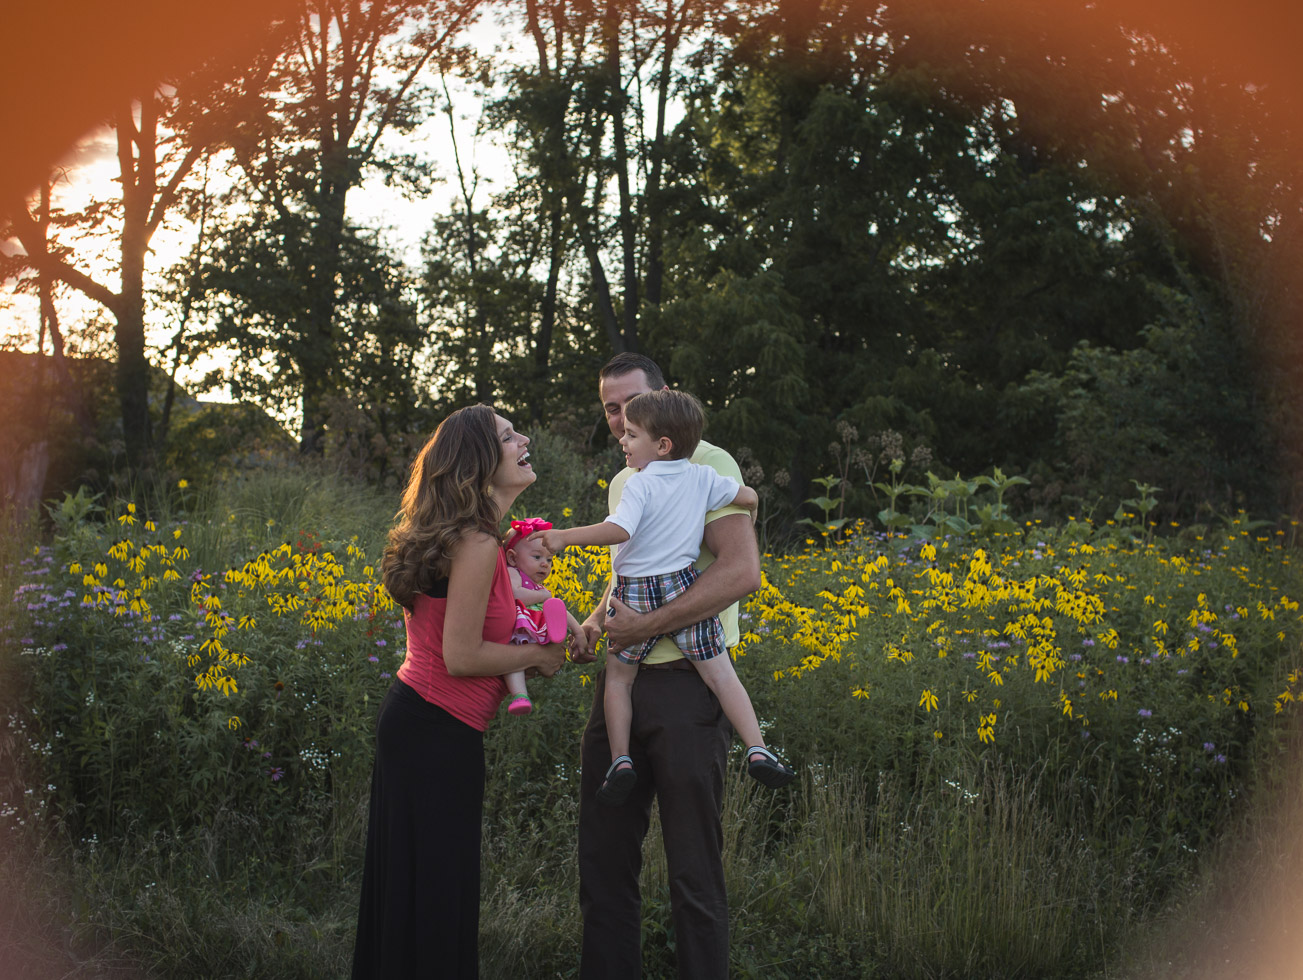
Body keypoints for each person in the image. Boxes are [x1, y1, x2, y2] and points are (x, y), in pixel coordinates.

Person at [565, 353, 772, 979]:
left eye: (631, 403)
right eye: (609, 408)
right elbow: (630, 570)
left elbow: (741, 572)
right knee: (603, 857)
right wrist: (597, 622)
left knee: (692, 868)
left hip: (689, 682)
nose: (620, 416)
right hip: (622, 678)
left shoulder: (707, 463)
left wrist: (645, 626)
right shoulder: (626, 477)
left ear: (663, 401)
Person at [350, 404, 574, 980]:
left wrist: (564, 631)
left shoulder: (478, 539)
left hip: (420, 725)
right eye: (508, 436)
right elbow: (463, 656)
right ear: (479, 462)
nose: (524, 438)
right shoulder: (475, 543)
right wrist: (540, 656)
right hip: (435, 734)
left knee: (414, 893)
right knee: (436, 897)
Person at [530, 389, 794, 806]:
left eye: (632, 435)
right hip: (682, 586)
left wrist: (565, 537)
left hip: (634, 594)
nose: (623, 440)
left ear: (662, 445)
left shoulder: (640, 484)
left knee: (619, 679)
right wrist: (755, 504)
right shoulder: (702, 477)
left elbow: (618, 532)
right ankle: (758, 747)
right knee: (722, 675)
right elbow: (744, 496)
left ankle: (620, 760)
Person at [500, 517, 585, 716]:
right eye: (537, 557)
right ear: (512, 558)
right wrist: (542, 595)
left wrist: (578, 631)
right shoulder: (513, 573)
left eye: (549, 559)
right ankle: (520, 695)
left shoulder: (538, 587)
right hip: (518, 629)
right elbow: (514, 594)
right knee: (513, 659)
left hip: (534, 630)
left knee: (555, 607)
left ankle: (556, 639)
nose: (545, 565)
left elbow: (558, 608)